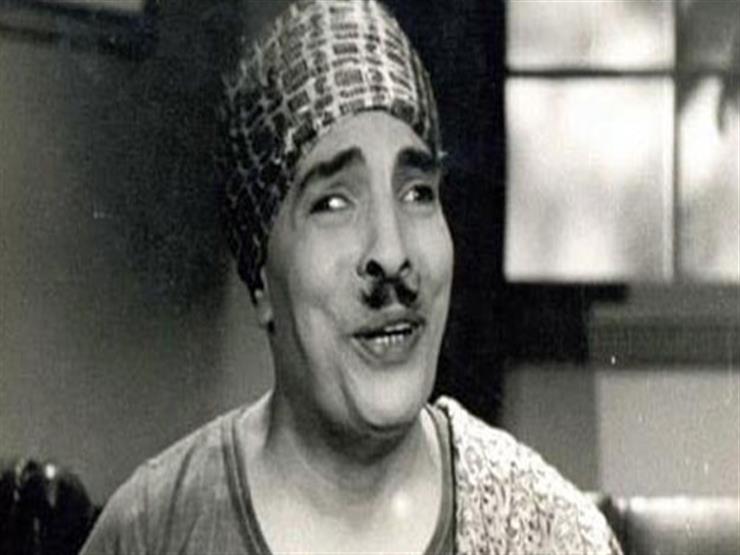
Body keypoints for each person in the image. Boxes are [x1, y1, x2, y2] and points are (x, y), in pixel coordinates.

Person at [82, 1, 622, 553]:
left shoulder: (551, 535)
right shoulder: (152, 531)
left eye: (418, 193)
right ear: (261, 279)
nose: (392, 253)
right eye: (333, 202)